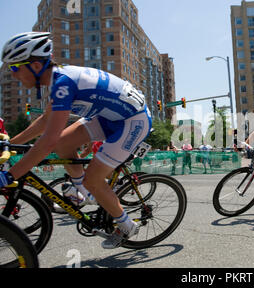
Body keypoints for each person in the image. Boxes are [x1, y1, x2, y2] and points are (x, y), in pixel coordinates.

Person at [0, 32, 152, 249]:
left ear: (34, 66)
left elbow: (47, 140)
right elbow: (46, 121)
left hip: (132, 121)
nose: (13, 75)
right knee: (64, 145)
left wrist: (10, 175)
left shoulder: (63, 84)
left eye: (15, 68)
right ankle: (88, 194)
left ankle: (127, 225)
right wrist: (10, 143)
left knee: (92, 178)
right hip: (108, 116)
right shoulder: (59, 80)